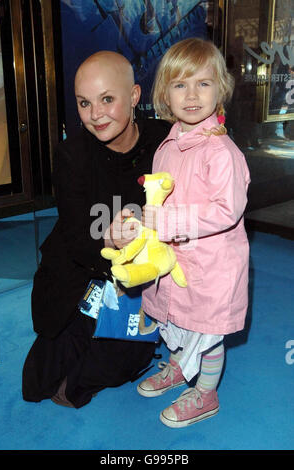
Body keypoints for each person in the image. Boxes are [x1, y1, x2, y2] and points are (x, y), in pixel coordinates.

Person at [22, 51, 171, 408]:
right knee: (37, 380)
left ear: (134, 96)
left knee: (111, 366)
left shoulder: (165, 138)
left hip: (140, 275)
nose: (96, 114)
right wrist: (107, 239)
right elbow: (75, 236)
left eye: (108, 99)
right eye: (84, 103)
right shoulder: (72, 154)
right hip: (82, 269)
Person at [137, 38, 251, 428]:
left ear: (220, 88)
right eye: (180, 84)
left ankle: (206, 391)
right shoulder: (167, 145)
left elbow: (226, 210)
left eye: (203, 83)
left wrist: (168, 223)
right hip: (175, 262)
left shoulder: (222, 153)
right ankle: (177, 369)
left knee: (207, 332)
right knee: (177, 322)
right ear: (165, 93)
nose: (191, 95)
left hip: (211, 266)